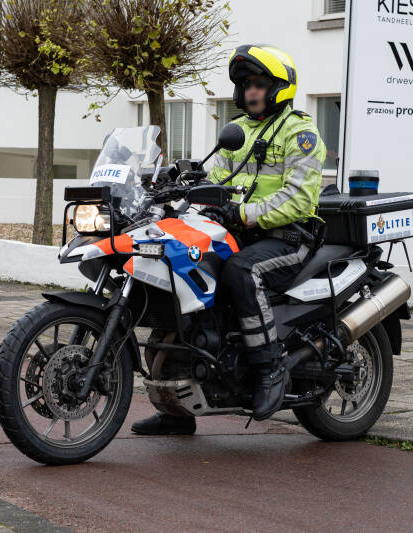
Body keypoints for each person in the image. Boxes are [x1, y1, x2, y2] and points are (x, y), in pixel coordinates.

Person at [131, 44, 325, 435]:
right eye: (245, 84)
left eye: (258, 83)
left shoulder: (299, 131)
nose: (250, 91)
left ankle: (270, 368)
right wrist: (176, 189)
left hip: (288, 237)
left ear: (278, 88)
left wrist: (244, 213)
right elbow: (213, 181)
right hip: (237, 233)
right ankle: (177, 409)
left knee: (241, 272)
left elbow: (301, 196)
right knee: (181, 273)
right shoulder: (236, 134)